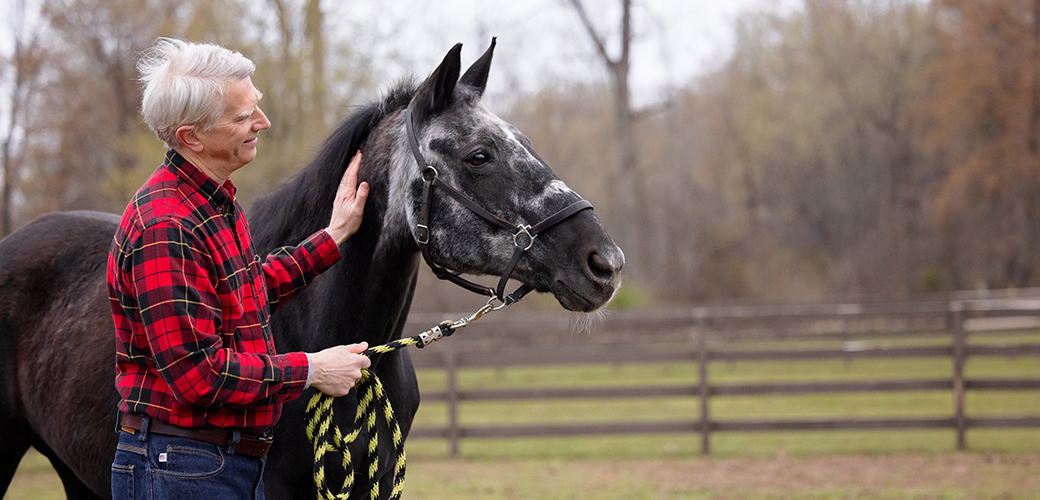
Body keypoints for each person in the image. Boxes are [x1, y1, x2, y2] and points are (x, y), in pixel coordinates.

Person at [106, 38, 371, 499]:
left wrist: (333, 236)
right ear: (192, 136)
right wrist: (311, 370)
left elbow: (247, 292)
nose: (262, 123)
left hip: (215, 465)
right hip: (184, 471)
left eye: (257, 108)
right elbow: (198, 375)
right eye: (242, 116)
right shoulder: (168, 227)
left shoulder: (212, 201)